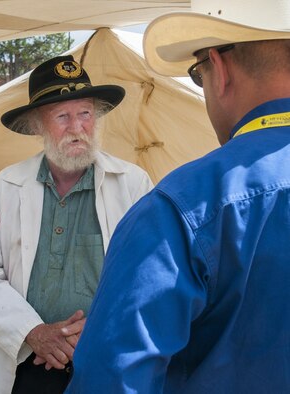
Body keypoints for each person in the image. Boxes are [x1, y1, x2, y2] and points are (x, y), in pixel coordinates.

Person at [65, 2, 290, 393]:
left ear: (218, 70)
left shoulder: (182, 206)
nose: (76, 127)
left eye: (197, 74)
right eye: (63, 116)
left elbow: (114, 378)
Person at [0, 54, 153, 394]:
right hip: (24, 366)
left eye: (85, 114)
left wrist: (93, 331)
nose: (77, 128)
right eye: (62, 117)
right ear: (37, 125)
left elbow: (148, 272)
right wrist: (34, 333)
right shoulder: (6, 188)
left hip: (102, 361)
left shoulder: (132, 184)